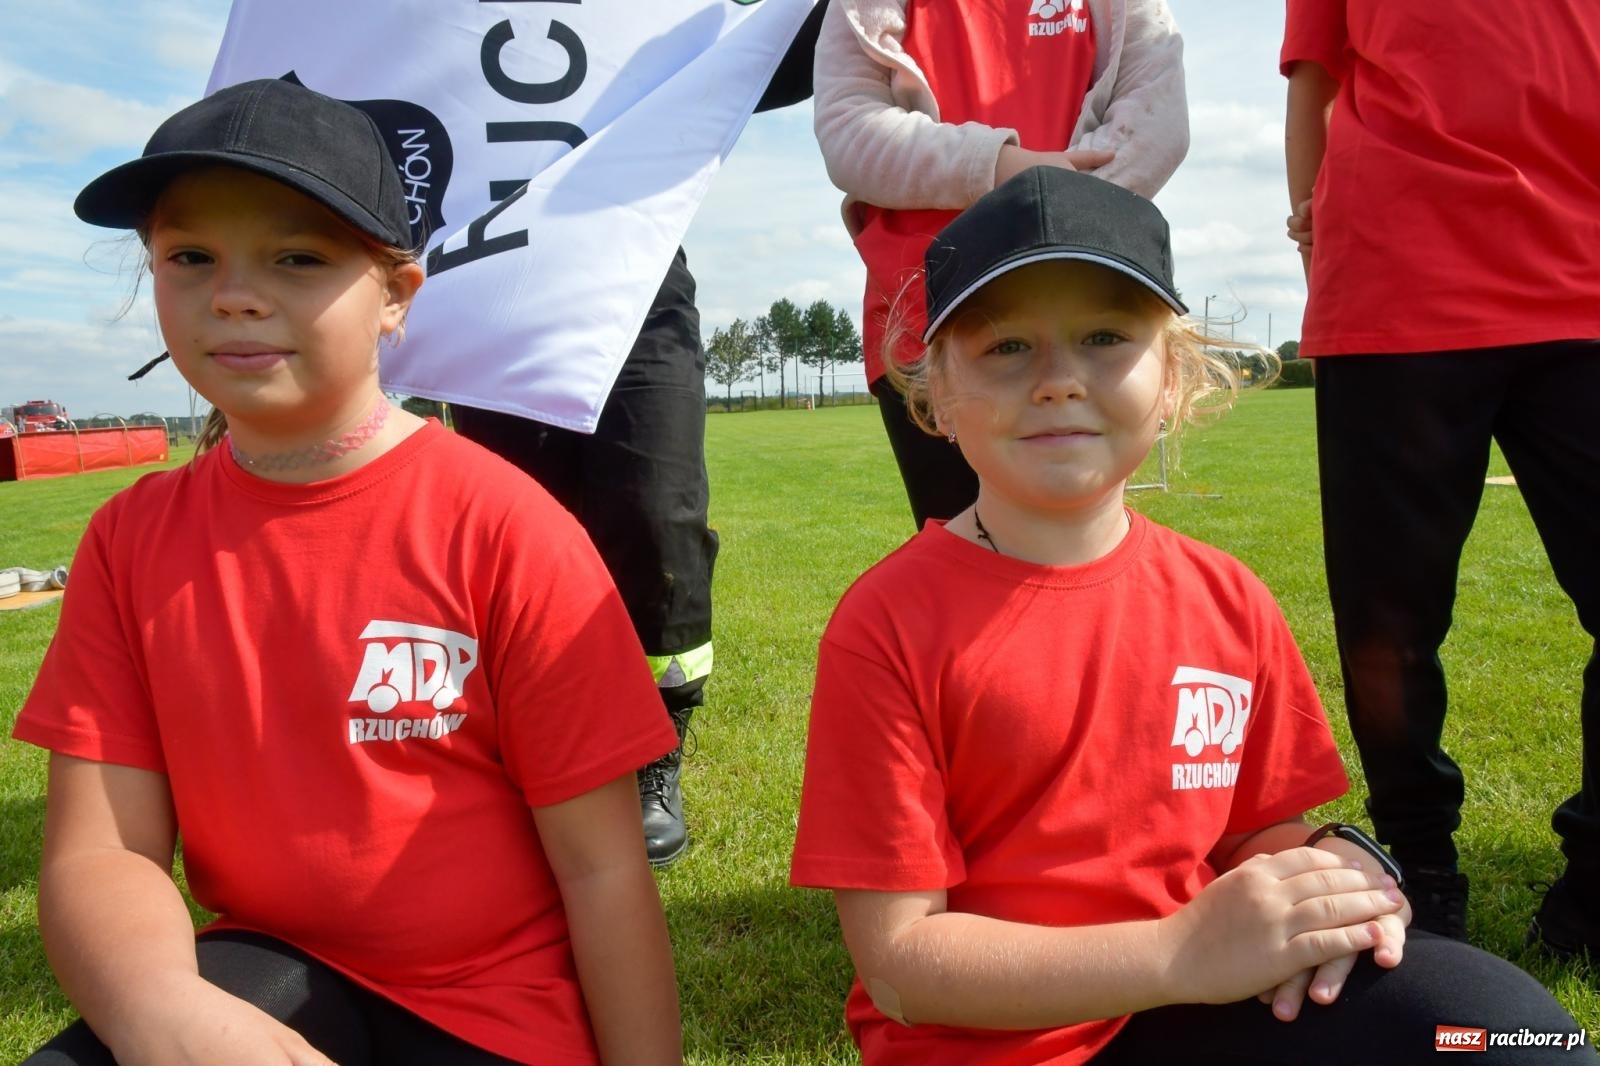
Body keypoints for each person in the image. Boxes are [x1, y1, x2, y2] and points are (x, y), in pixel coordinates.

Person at [789, 166, 1588, 1065]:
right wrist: (1176, 953)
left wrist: (1332, 863)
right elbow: (901, 963)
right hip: (999, 1043)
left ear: (1173, 377)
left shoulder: (1226, 598)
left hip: (1194, 1007)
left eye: (1104, 337)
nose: (1058, 380)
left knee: (1511, 1037)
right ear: (933, 391)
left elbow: (1249, 834)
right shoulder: (887, 625)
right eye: (1005, 346)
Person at [13, 79, 681, 1066]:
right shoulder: (129, 540)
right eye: (191, 257)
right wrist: (165, 1014)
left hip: (492, 1010)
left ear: (396, 296)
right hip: (267, 970)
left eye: (297, 257)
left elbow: (602, 871)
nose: (234, 294)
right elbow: (103, 849)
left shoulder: (507, 529)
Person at [452, 0, 830, 869]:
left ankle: (656, 746)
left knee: (657, 515)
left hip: (636, 292)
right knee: (513, 538)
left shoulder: (641, 14)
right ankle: (529, 746)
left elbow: (772, 48)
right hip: (494, 302)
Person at [1283, 2, 1600, 948]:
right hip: (1398, 274)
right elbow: (1314, 75)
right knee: (1388, 623)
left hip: (1586, 277)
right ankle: (1418, 863)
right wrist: (1320, 242)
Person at [812, 0, 1188, 527]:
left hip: (1089, 295)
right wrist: (1007, 167)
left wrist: (1046, 207)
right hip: (925, 318)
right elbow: (849, 131)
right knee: (963, 549)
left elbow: (1157, 127)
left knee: (1081, 541)